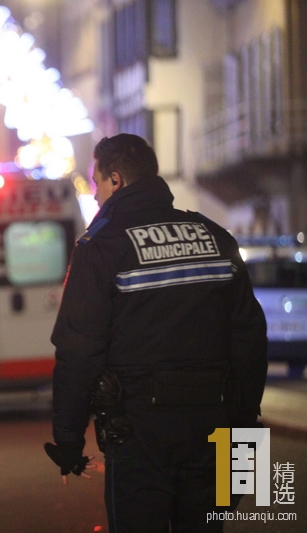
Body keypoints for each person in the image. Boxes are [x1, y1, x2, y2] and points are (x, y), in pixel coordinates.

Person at [44, 134, 268, 532]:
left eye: (97, 182)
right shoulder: (215, 237)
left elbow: (79, 350)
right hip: (213, 423)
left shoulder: (102, 246)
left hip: (138, 431)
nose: (95, 195)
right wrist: (245, 423)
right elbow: (250, 339)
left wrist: (69, 439)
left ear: (116, 180)